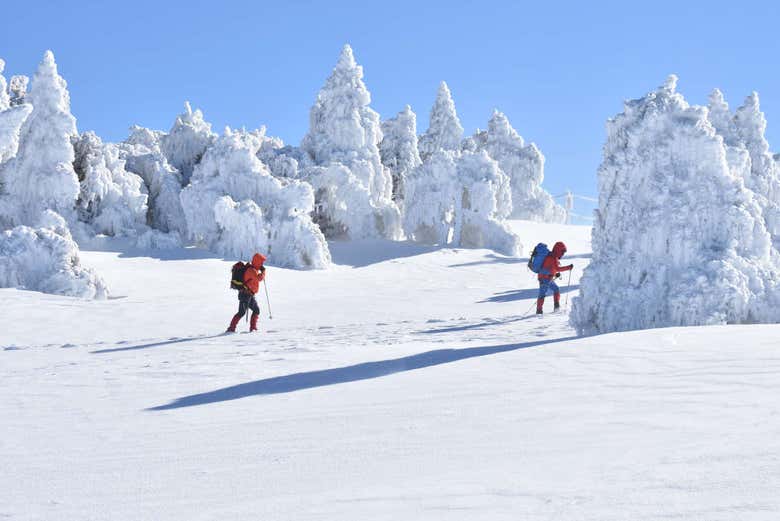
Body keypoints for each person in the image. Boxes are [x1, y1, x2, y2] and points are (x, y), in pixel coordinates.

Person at [227, 253, 266, 332]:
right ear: (257, 261)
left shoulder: (253, 269)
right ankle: (231, 328)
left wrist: (261, 270)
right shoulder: (251, 270)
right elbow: (259, 278)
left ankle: (253, 328)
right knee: (241, 312)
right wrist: (263, 271)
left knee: (256, 310)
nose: (262, 264)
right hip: (245, 294)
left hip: (249, 294)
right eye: (261, 262)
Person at [537, 241, 573, 314]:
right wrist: (568, 267)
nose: (562, 254)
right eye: (562, 252)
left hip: (547, 278)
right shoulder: (552, 257)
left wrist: (554, 274)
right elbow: (557, 268)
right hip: (544, 278)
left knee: (555, 289)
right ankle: (539, 311)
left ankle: (556, 307)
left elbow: (550, 268)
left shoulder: (552, 256)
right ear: (558, 250)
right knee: (542, 294)